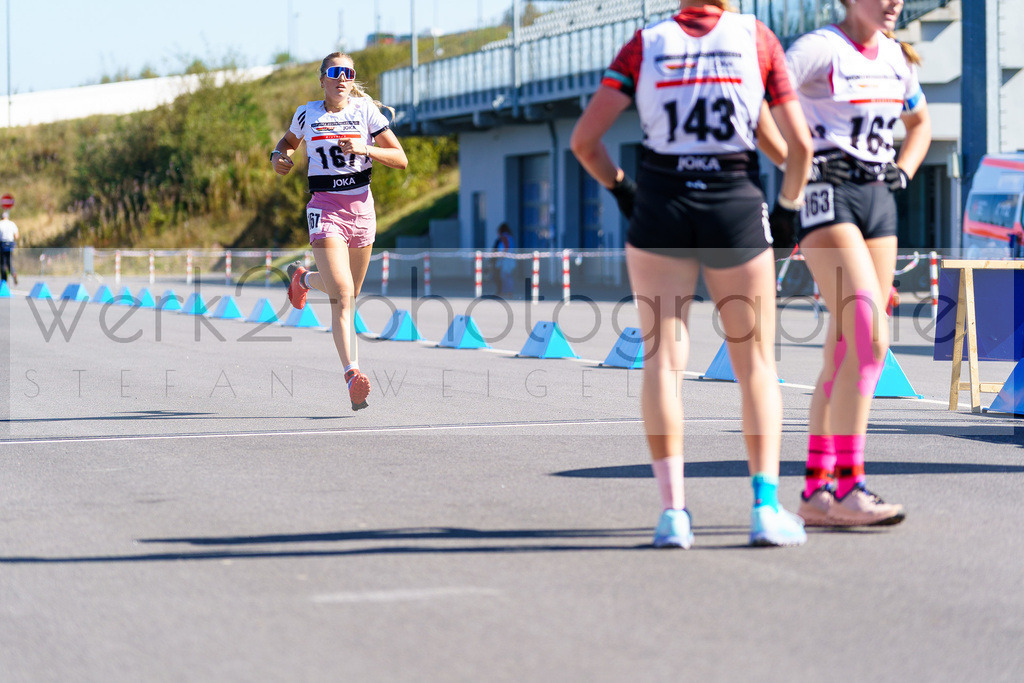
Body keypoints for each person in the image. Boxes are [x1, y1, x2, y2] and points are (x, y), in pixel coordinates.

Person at [571, 0, 813, 548]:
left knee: (663, 359)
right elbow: (798, 148)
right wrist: (788, 212)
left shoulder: (645, 43)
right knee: (755, 364)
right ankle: (765, 509)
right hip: (733, 205)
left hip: (663, 203)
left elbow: (584, 142)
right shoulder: (757, 38)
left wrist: (626, 192)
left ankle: (674, 514)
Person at [766, 0, 932, 526]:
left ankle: (818, 492)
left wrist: (903, 172)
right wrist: (798, 169)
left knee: (845, 351)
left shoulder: (898, 59)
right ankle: (849, 486)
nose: (893, 3)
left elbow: (920, 123)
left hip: (878, 197)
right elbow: (756, 105)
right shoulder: (819, 49)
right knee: (871, 334)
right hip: (828, 194)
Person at [272, 52, 408, 411]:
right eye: (334, 72)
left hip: (362, 210)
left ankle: (302, 280)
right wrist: (278, 156)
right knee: (343, 294)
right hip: (325, 208)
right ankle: (352, 375)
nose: (341, 78)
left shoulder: (365, 112)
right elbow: (286, 143)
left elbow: (401, 157)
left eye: (348, 73)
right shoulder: (308, 113)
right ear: (322, 80)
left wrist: (367, 148)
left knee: (351, 289)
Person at [492, 223, 516, 298]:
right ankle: (507, 291)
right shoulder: (510, 237)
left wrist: (501, 256)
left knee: (504, 276)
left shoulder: (504, 237)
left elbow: (505, 247)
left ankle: (507, 292)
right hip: (510, 259)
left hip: (506, 260)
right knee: (507, 276)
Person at [0, 210, 19, 285]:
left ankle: (4, 280)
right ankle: (13, 273)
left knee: (2, 263)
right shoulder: (12, 224)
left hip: (2, 244)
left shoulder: (0, 224)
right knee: (9, 262)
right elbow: (17, 236)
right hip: (10, 245)